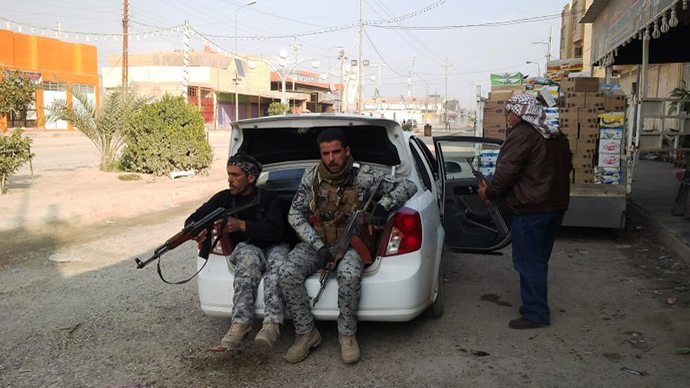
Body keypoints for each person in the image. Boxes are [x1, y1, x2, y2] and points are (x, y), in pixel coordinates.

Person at [279, 128, 418, 364]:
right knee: (287, 272)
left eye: (336, 152)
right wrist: (318, 246)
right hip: (318, 242)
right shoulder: (311, 176)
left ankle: (347, 334)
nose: (331, 159)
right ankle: (306, 333)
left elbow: (408, 186)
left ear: (347, 151)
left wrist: (383, 206)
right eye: (325, 153)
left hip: (352, 243)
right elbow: (295, 214)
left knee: (350, 275)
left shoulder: (364, 176)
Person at [478, 93, 572, 330]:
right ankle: (535, 302)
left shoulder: (522, 135)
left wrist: (489, 193)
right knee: (539, 259)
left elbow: (506, 172)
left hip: (531, 209)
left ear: (519, 112)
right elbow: (567, 166)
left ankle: (536, 313)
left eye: (509, 112)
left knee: (528, 262)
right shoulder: (555, 135)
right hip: (555, 207)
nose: (508, 117)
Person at [186, 153, 288, 350]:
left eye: (235, 175)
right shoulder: (223, 198)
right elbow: (195, 217)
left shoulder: (269, 199)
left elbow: (277, 231)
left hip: (274, 245)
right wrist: (194, 229)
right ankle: (240, 324)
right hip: (248, 248)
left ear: (250, 177)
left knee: (279, 261)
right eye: (228, 174)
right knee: (247, 258)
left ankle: (271, 325)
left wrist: (242, 225)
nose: (230, 180)